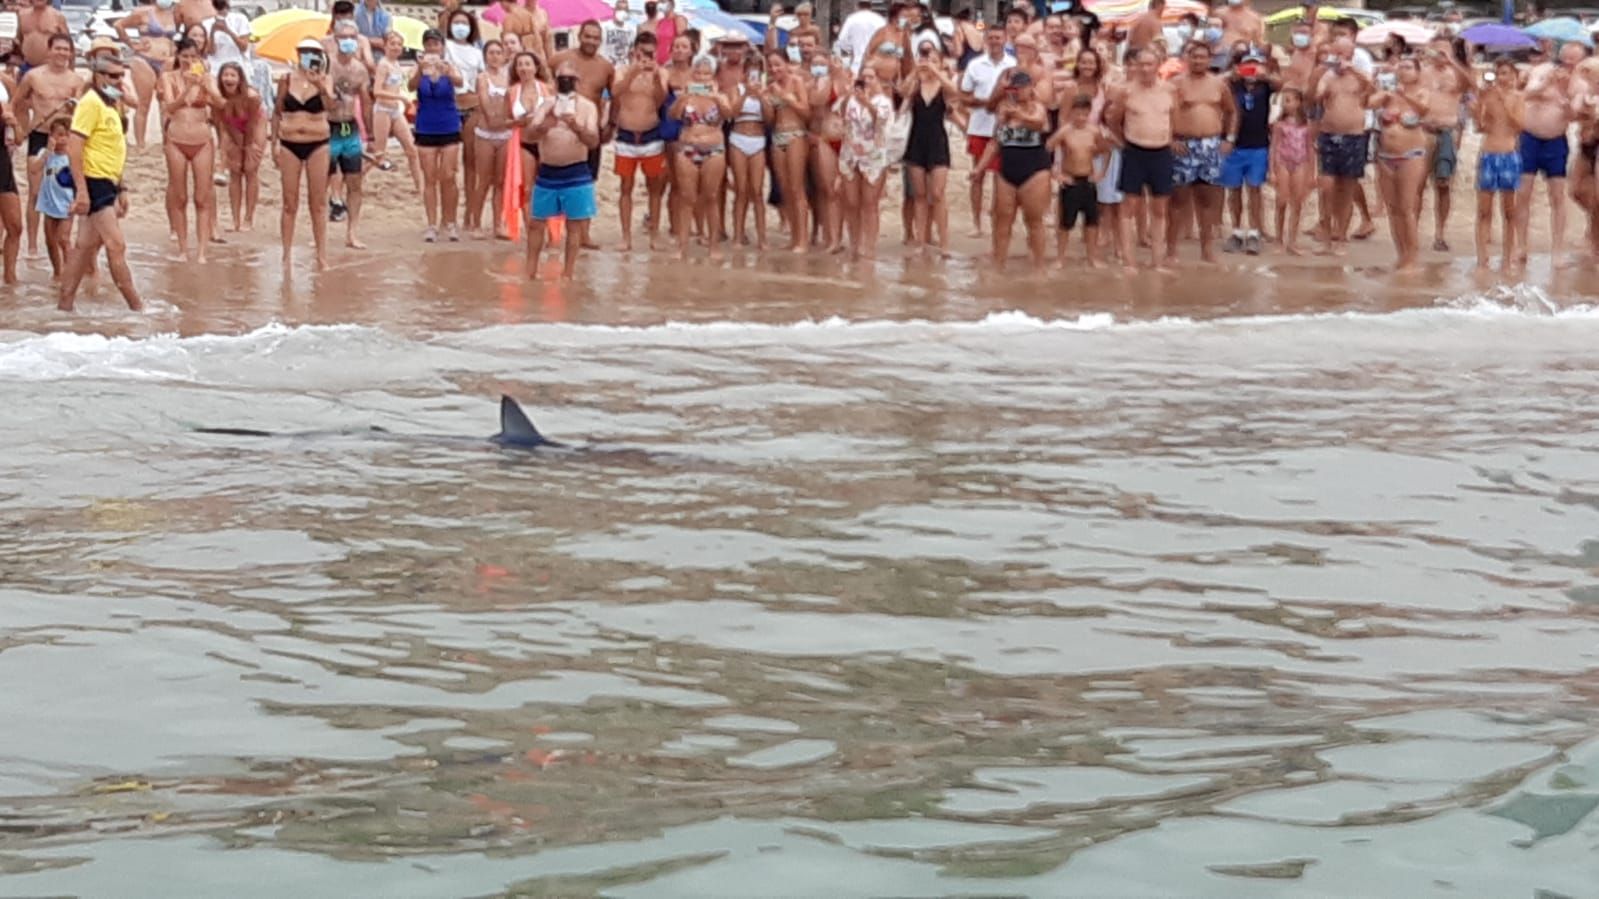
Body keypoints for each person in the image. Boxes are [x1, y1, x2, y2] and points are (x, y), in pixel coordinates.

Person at [59, 53, 140, 313]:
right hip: (94, 180)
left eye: (121, 75)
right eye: (113, 76)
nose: (118, 81)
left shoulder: (110, 104)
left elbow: (114, 148)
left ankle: (65, 305)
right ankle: (137, 308)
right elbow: (75, 145)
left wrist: (122, 187)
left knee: (84, 247)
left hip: (107, 180)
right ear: (98, 76)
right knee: (116, 245)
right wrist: (82, 191)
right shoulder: (90, 103)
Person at [525, 58, 601, 278]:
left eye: (569, 79)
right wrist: (543, 126)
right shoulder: (546, 104)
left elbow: (593, 142)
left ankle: (568, 273)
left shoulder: (587, 107)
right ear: (555, 82)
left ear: (578, 82)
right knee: (536, 224)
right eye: (561, 79)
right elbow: (528, 136)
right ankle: (530, 272)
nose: (565, 83)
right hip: (547, 172)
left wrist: (575, 125)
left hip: (576, 172)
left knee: (574, 227)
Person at [1516, 41, 1585, 268]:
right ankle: (1521, 246)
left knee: (1557, 196)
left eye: (1573, 61)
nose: (1568, 64)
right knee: (1524, 193)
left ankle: (1557, 251)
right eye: (1565, 59)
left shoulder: (1579, 83)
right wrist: (1547, 84)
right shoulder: (1543, 71)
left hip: (1556, 140)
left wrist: (1564, 96)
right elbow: (1525, 95)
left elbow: (1574, 115)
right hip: (1530, 137)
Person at [972, 69, 1050, 270]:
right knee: (1002, 219)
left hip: (1035, 167)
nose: (1018, 92)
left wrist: (1018, 115)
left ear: (1030, 88)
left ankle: (1039, 267)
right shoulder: (1004, 108)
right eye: (1015, 88)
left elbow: (1039, 123)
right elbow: (995, 141)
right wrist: (979, 168)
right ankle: (998, 265)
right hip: (1007, 166)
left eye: (1022, 88)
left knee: (1034, 220)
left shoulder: (1037, 107)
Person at [1107, 48, 1176, 273]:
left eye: (1150, 64)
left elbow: (1173, 119)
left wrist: (1169, 138)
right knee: (1129, 207)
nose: (1145, 69)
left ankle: (1157, 261)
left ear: (1158, 66)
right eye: (1141, 64)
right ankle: (1130, 261)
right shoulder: (1125, 92)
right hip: (1135, 150)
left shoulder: (1170, 90)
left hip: (1161, 151)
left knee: (1160, 209)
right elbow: (1113, 121)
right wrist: (1122, 142)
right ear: (1135, 66)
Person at [11, 33, 79, 260]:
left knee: (63, 190)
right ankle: (31, 245)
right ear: (49, 51)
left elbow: (79, 115)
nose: (62, 53)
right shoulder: (33, 76)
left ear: (71, 53)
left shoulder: (76, 80)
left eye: (66, 49)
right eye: (58, 48)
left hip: (65, 140)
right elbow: (16, 104)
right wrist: (18, 129)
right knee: (36, 191)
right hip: (40, 135)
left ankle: (62, 240)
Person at [1168, 41, 1233, 265]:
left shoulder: (1219, 84)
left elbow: (1232, 112)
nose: (1198, 61)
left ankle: (1207, 250)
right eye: (1194, 57)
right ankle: (1171, 251)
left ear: (1209, 59)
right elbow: (1162, 112)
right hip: (1184, 144)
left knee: (1208, 200)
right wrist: (1170, 138)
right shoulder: (1175, 84)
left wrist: (1229, 139)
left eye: (1203, 57)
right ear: (1187, 58)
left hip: (1210, 145)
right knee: (1178, 200)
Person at [272, 38, 334, 270]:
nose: (309, 56)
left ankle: (321, 254)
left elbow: (332, 107)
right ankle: (286, 254)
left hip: (318, 142)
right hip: (290, 141)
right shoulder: (286, 79)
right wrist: (274, 143)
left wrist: (319, 86)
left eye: (314, 52)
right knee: (290, 202)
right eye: (305, 52)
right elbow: (277, 111)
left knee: (317, 202)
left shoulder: (325, 79)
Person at [159, 37, 220, 261]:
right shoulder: (168, 77)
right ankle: (183, 249)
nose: (189, 60)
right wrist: (189, 88)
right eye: (185, 56)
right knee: (180, 196)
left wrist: (205, 87)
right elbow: (170, 107)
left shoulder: (207, 78)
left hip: (202, 139)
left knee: (202, 197)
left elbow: (221, 103)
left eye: (193, 56)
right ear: (178, 56)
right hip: (176, 138)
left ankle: (202, 251)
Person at [1312, 37, 1373, 256]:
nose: (1338, 57)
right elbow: (1316, 96)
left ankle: (1341, 237)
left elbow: (1371, 87)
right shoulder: (1328, 75)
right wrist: (1321, 73)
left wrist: (1352, 71)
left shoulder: (1359, 75)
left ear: (1351, 53)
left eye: (1342, 53)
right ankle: (1327, 237)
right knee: (1327, 187)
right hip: (1329, 135)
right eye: (1335, 53)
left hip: (1354, 136)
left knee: (1347, 188)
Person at [900, 41, 960, 256]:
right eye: (926, 58)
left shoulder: (943, 87)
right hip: (916, 141)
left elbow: (955, 92)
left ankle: (944, 243)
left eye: (934, 59)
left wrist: (936, 71)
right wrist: (916, 72)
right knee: (920, 195)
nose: (929, 63)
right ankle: (921, 241)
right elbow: (902, 93)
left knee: (938, 194)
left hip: (937, 142)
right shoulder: (916, 85)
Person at [668, 55, 730, 260]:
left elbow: (729, 114)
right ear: (692, 74)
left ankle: (713, 245)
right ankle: (682, 245)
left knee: (711, 197)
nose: (702, 78)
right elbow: (673, 115)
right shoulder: (687, 96)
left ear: (713, 76)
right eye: (698, 73)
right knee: (687, 198)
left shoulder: (720, 95)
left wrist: (717, 98)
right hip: (687, 147)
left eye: (706, 74)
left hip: (714, 148)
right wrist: (683, 98)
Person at [1369, 56, 1428, 273]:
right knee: (1393, 209)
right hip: (1386, 156)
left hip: (1410, 155)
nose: (1403, 71)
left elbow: (1423, 110)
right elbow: (1368, 103)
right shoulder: (1388, 95)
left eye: (1408, 67)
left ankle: (1412, 257)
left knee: (1406, 208)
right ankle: (1401, 254)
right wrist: (1380, 90)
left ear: (1417, 72)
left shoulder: (1422, 92)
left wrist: (1406, 98)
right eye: (1400, 67)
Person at [611, 34, 668, 250]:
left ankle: (654, 235)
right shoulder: (623, 71)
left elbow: (660, 100)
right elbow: (615, 92)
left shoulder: (660, 72)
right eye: (641, 52)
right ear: (634, 51)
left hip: (650, 133)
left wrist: (653, 78)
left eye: (649, 53)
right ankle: (626, 237)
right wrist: (634, 71)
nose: (645, 57)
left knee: (654, 187)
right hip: (626, 133)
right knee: (625, 187)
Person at [960, 25, 1015, 238]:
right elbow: (963, 96)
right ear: (985, 40)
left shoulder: (1013, 65)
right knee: (978, 175)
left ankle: (996, 221)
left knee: (1000, 177)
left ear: (1005, 39)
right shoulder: (974, 65)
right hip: (979, 126)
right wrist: (985, 102)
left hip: (1003, 128)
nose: (995, 41)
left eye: (998, 38)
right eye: (991, 38)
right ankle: (976, 222)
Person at [411, 29, 463, 242]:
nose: (432, 48)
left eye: (436, 44)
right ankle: (432, 224)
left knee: (448, 176)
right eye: (429, 44)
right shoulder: (420, 67)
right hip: (426, 126)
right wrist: (420, 70)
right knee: (430, 178)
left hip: (449, 125)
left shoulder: (449, 66)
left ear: (442, 47)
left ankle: (450, 221)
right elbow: (410, 86)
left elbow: (460, 82)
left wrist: (447, 72)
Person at [1474, 57, 1525, 272]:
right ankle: (1482, 257)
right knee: (1484, 210)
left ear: (1514, 76)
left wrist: (1504, 101)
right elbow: (1480, 126)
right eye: (1499, 73)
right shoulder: (1488, 97)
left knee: (1509, 210)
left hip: (1509, 154)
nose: (1502, 78)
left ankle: (1507, 255)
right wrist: (1478, 106)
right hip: (1489, 153)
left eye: (1506, 73)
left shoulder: (1518, 97)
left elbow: (1519, 125)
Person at [1421, 36, 1471, 253]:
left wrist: (1452, 63)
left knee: (1443, 184)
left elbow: (1470, 85)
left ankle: (1440, 232)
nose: (1441, 55)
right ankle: (1411, 230)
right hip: (1422, 131)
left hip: (1446, 132)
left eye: (1446, 51)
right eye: (1437, 51)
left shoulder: (1456, 74)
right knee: (1416, 185)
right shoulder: (1422, 73)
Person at [838, 66, 893, 260]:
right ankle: (855, 243)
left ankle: (869, 246)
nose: (867, 81)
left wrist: (866, 102)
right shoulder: (851, 100)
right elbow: (840, 116)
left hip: (873, 156)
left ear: (878, 80)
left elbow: (881, 121)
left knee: (869, 203)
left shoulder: (883, 101)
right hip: (851, 154)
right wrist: (848, 93)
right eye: (864, 77)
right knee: (851, 202)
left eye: (871, 77)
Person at [551, 20, 616, 184]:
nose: (591, 41)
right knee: (556, 176)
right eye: (587, 36)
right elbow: (543, 86)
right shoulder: (559, 58)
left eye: (596, 38)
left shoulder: (606, 67)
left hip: (590, 129)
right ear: (579, 36)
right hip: (560, 125)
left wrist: (611, 125)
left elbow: (616, 97)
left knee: (588, 179)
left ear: (601, 41)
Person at [1221, 50, 1272, 255]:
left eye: (1255, 65)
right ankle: (1236, 231)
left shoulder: (1266, 87)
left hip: (1258, 146)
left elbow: (1285, 84)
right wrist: (1232, 74)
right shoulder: (1232, 86)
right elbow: (1216, 82)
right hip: (1234, 146)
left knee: (1255, 190)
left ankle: (1253, 232)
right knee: (1233, 191)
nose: (1251, 69)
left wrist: (1264, 75)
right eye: (1247, 65)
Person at [326, 21, 371, 248]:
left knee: (355, 181)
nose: (349, 41)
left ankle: (352, 232)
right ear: (336, 40)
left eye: (352, 36)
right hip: (327, 127)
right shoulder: (328, 65)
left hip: (349, 127)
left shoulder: (360, 69)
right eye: (344, 37)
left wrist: (369, 136)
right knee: (321, 181)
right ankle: (320, 230)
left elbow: (365, 100)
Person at [1047, 94, 1106, 267]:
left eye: (1084, 114)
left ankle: (1092, 258)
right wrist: (1056, 173)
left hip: (1088, 180)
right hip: (1070, 180)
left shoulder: (1094, 131)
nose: (1080, 117)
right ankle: (1060, 258)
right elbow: (1047, 148)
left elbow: (1106, 150)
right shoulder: (1065, 131)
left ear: (1089, 113)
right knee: (1065, 223)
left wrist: (1101, 172)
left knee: (1092, 221)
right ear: (1072, 112)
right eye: (1077, 113)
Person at [116, 0, 181, 152]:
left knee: (166, 102)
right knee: (143, 104)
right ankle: (140, 144)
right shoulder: (143, 13)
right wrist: (131, 44)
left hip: (166, 61)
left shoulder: (174, 13)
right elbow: (119, 25)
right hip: (145, 59)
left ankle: (167, 143)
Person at [444, 10, 485, 236]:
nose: (461, 26)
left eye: (464, 23)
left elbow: (481, 79)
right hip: (450, 106)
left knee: (471, 164)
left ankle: (471, 213)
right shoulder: (445, 46)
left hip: (472, 105)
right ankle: (447, 217)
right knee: (449, 167)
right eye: (456, 22)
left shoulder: (477, 52)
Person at [767, 48, 811, 252]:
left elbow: (806, 111)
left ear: (786, 64)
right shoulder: (770, 86)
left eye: (778, 64)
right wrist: (764, 100)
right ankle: (794, 237)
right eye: (771, 65)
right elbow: (769, 119)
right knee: (785, 190)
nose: (774, 69)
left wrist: (786, 97)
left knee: (797, 188)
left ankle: (802, 238)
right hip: (777, 135)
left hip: (795, 134)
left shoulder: (796, 82)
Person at [467, 39, 513, 239]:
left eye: (498, 52)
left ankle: (498, 224)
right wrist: (494, 119)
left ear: (504, 56)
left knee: (501, 182)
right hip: (486, 133)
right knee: (483, 180)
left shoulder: (510, 79)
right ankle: (476, 223)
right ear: (485, 56)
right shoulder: (482, 77)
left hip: (505, 134)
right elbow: (485, 101)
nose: (495, 56)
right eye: (491, 52)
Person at [215, 60, 264, 232]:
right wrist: (236, 144)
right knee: (235, 171)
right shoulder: (218, 97)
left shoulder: (251, 96)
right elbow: (223, 124)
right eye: (225, 75)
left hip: (255, 124)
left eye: (232, 75)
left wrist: (248, 146)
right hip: (232, 126)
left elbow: (251, 124)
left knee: (250, 169)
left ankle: (249, 218)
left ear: (240, 78)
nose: (228, 79)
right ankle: (235, 219)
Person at [728, 52, 770, 250]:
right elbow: (732, 113)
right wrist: (745, 93)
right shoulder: (736, 89)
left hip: (758, 138)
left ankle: (762, 238)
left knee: (757, 190)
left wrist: (761, 97)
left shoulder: (766, 91)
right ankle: (738, 235)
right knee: (741, 189)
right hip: (738, 138)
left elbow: (770, 119)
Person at [371, 31, 422, 191]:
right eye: (392, 44)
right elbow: (377, 91)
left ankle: (420, 187)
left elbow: (397, 87)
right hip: (382, 110)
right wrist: (401, 98)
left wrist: (401, 99)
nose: (396, 47)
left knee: (412, 149)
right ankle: (353, 181)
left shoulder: (397, 65)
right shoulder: (383, 64)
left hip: (394, 110)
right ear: (385, 46)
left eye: (399, 44)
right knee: (379, 154)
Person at [1270, 86, 1314, 256]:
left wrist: (1312, 173)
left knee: (1297, 202)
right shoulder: (1279, 125)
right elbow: (1274, 147)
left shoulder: (1306, 125)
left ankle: (1292, 240)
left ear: (1298, 103)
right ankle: (1278, 238)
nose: (1285, 104)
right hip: (1283, 162)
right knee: (1281, 200)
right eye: (1283, 101)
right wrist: (1272, 170)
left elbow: (1310, 149)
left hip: (1301, 162)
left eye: (1288, 100)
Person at [36, 117, 71, 279]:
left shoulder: (73, 157)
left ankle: (70, 271)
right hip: (49, 203)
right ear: (51, 136)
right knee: (50, 241)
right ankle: (57, 271)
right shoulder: (46, 154)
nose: (62, 139)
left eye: (67, 135)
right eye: (59, 135)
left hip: (67, 204)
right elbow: (34, 169)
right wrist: (48, 152)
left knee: (63, 239)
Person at [17, 0, 67, 77]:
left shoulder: (58, 16)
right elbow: (19, 40)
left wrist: (70, 70)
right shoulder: (22, 15)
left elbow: (68, 44)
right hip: (27, 66)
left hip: (49, 68)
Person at [837, 0, 887, 74]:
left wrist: (851, 49)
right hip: (875, 65)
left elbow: (842, 40)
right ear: (871, 6)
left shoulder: (851, 19)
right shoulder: (880, 20)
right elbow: (886, 40)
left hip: (856, 64)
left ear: (857, 6)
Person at [203, 0, 250, 72]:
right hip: (215, 68)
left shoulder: (241, 19)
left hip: (236, 66)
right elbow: (211, 52)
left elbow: (243, 47)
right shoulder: (206, 23)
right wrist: (212, 32)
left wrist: (228, 31)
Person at [642, 0, 687, 66]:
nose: (660, 4)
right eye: (660, 2)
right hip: (658, 62)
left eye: (663, 1)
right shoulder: (660, 21)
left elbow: (683, 41)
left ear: (671, 4)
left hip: (671, 63)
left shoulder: (678, 19)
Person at [602, 0, 637, 67]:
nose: (622, 12)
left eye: (625, 10)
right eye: (619, 9)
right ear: (615, 10)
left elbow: (632, 52)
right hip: (606, 67)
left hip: (623, 69)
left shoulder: (632, 30)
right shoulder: (604, 27)